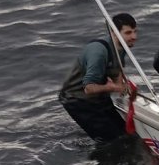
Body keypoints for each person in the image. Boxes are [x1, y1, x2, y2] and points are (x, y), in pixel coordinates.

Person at [57, 12, 139, 142]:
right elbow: (89, 88)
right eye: (128, 33)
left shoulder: (122, 47)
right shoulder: (99, 52)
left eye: (135, 31)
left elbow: (115, 72)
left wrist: (124, 89)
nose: (134, 36)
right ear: (114, 32)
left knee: (126, 134)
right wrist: (112, 87)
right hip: (77, 100)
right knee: (113, 141)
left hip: (99, 97)